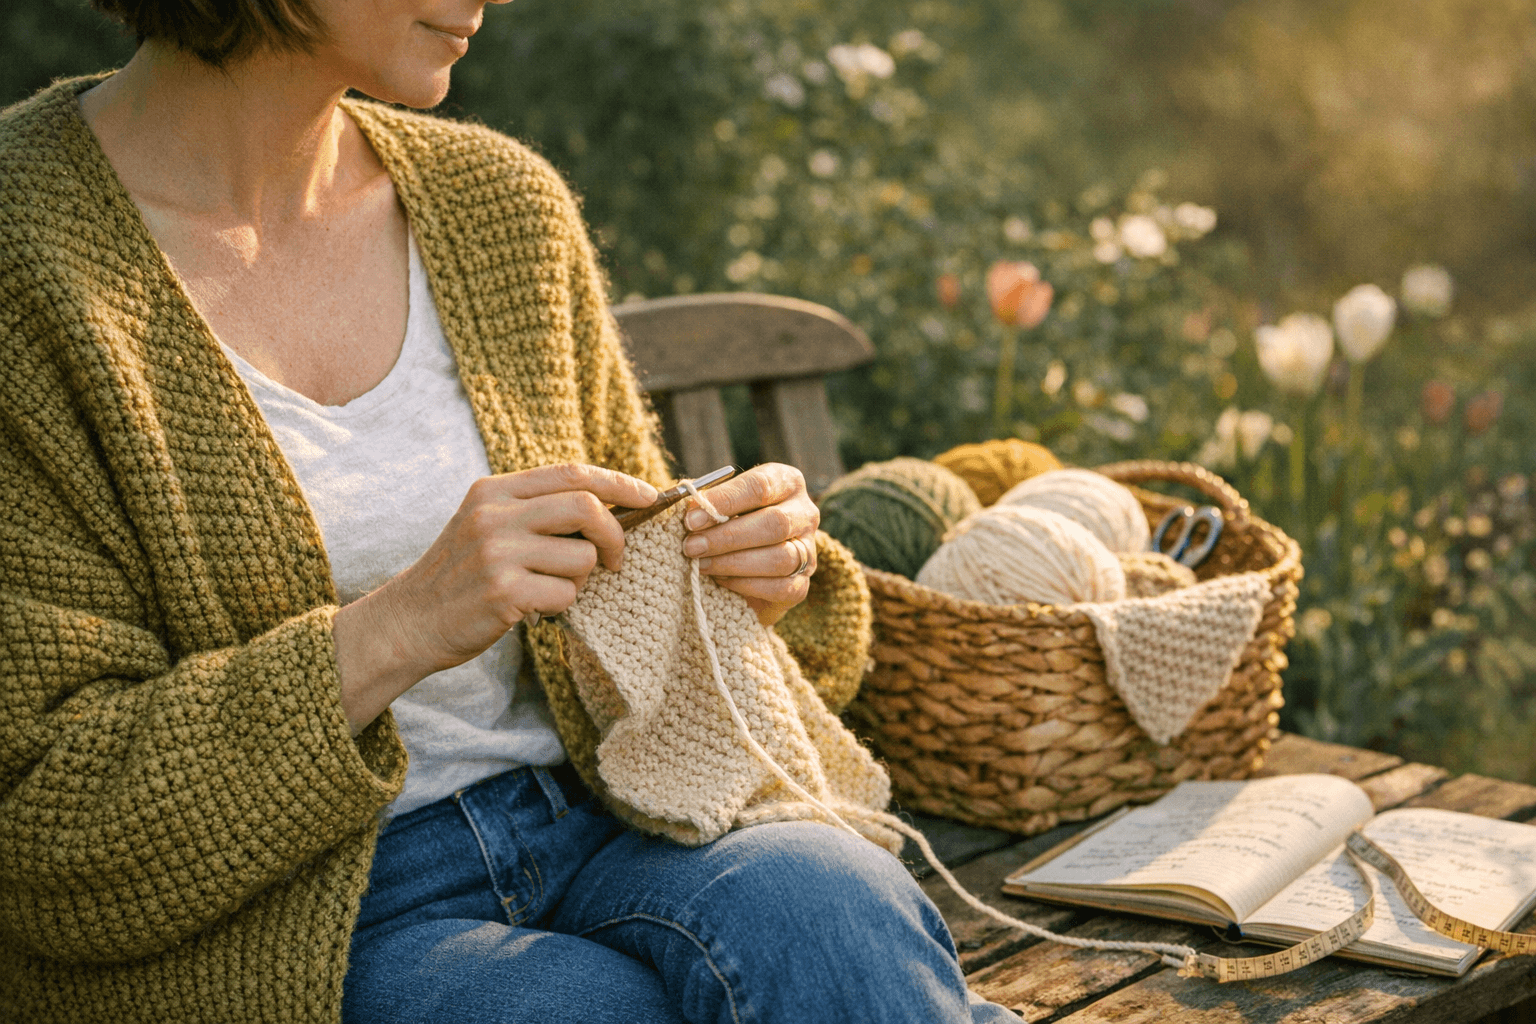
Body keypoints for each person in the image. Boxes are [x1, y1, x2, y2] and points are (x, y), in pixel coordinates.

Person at [0, 1, 1019, 1022]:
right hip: (298, 921)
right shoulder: (26, 259)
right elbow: (42, 832)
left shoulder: (500, 205)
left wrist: (753, 571)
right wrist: (401, 624)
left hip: (601, 817)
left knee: (834, 906)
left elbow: (642, 591)